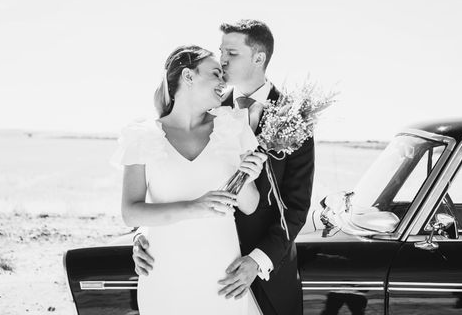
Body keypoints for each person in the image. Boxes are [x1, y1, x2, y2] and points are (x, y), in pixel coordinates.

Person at [133, 21, 316, 315]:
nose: (223, 60)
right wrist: (145, 233)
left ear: (259, 58)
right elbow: (171, 176)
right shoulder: (206, 110)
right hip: (196, 266)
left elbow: (295, 206)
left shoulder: (294, 118)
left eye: (232, 52)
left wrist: (258, 260)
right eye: (221, 52)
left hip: (267, 271)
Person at [115, 45, 267, 315]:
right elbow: (131, 213)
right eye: (216, 73)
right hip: (164, 272)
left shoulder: (230, 127)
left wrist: (246, 174)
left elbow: (250, 205)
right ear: (188, 76)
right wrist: (195, 207)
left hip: (222, 273)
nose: (223, 82)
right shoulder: (142, 135)